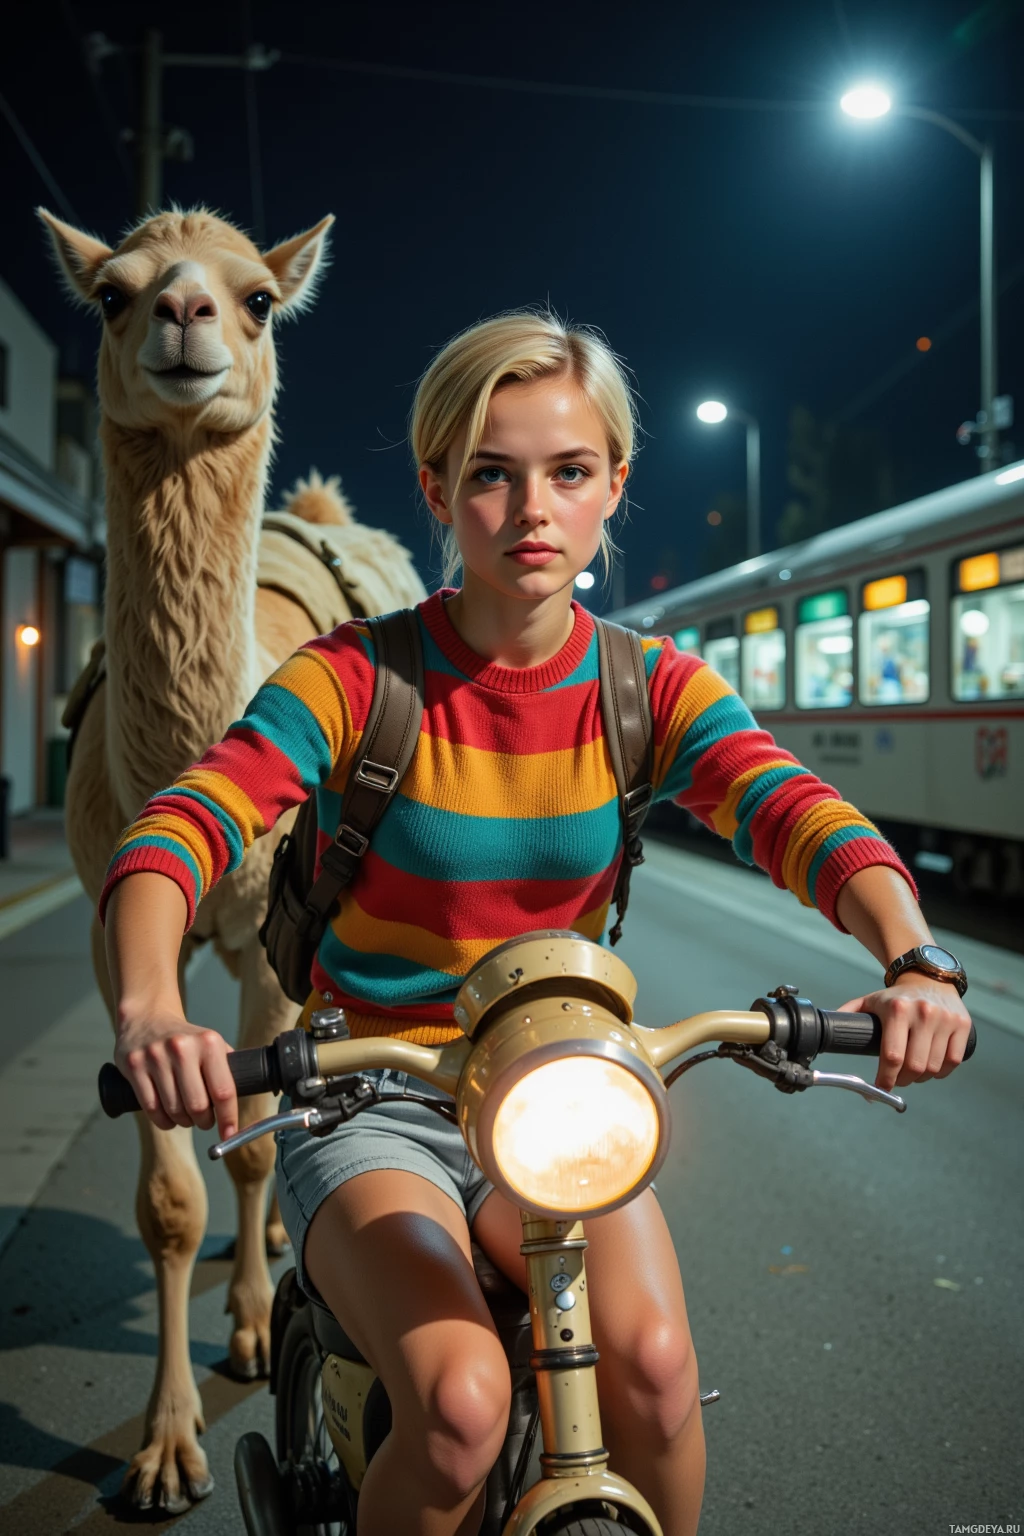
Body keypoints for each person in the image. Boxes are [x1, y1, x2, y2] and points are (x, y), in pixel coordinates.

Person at [103, 311, 973, 1536]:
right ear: (437, 488)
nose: (532, 509)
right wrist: (152, 1006)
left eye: (568, 473)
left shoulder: (646, 686)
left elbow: (794, 810)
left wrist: (914, 957)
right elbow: (180, 828)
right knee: (458, 1407)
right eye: (490, 474)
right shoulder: (359, 678)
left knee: (659, 1378)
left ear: (614, 484)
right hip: (370, 1093)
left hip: (559, 1087)